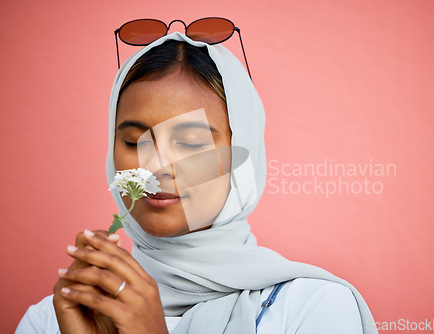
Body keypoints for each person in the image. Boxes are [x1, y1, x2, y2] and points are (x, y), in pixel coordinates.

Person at [16, 29, 378, 333]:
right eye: (133, 141)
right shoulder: (57, 318)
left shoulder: (311, 309)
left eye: (190, 143)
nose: (156, 166)